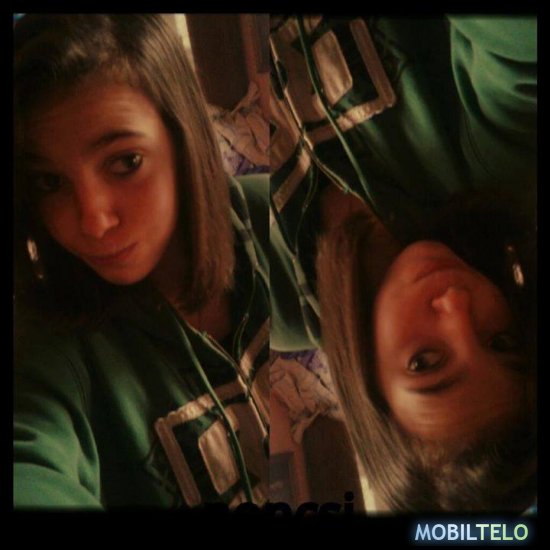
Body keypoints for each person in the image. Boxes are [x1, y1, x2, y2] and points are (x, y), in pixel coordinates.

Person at [269, 15, 537, 512]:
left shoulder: (277, 300)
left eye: (425, 362)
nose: (456, 305)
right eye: (500, 340)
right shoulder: (496, 169)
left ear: (367, 389)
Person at [14, 14, 270, 509]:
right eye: (50, 182)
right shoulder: (51, 349)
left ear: (181, 133)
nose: (93, 222)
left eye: (125, 162)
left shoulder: (272, 224)